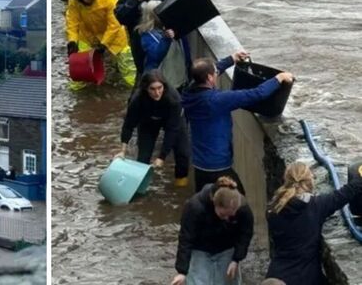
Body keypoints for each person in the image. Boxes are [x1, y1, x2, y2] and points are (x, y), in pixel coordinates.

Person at [181, 52, 294, 194]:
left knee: (206, 205)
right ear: (210, 78)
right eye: (215, 73)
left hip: (199, 164)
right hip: (218, 166)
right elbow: (256, 94)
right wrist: (278, 78)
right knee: (238, 202)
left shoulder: (189, 93)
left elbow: (208, 71)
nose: (217, 73)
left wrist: (231, 59)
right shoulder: (218, 101)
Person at [265, 162, 362, 285]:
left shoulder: (273, 208)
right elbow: (343, 194)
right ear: (309, 181)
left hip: (276, 275)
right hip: (305, 277)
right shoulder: (315, 207)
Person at [114, 0, 188, 84]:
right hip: (140, 44)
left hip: (161, 36)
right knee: (144, 74)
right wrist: (135, 0)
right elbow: (120, 16)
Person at [172, 177, 253, 285]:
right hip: (200, 249)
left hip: (227, 248)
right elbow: (186, 239)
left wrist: (236, 259)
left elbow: (245, 234)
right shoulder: (194, 207)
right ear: (214, 203)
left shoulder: (243, 209)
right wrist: (182, 272)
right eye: (223, 215)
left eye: (231, 216)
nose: (227, 219)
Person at [116, 70, 189, 186]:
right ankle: (139, 186)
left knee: (183, 153)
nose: (157, 93)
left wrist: (162, 157)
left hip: (171, 121)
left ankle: (180, 184)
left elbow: (172, 130)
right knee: (143, 157)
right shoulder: (137, 99)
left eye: (160, 88)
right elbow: (129, 124)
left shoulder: (174, 99)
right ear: (145, 88)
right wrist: (122, 150)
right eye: (152, 89)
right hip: (148, 121)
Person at [66, 0, 136, 89]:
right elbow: (72, 21)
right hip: (88, 34)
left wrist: (104, 44)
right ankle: (77, 89)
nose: (87, 0)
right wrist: (72, 41)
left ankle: (133, 86)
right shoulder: (74, 1)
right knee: (79, 64)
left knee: (126, 60)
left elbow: (115, 24)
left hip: (114, 33)